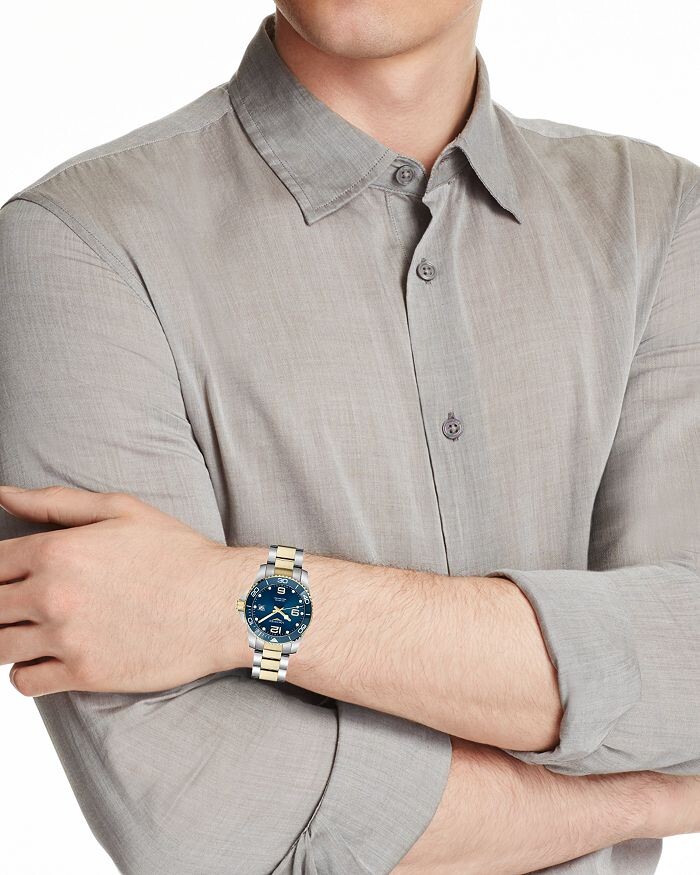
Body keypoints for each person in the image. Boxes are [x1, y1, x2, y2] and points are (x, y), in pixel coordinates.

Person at [0, 3, 698, 874]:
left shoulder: (660, 218)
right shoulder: (78, 245)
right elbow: (197, 812)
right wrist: (641, 798)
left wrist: (236, 600)